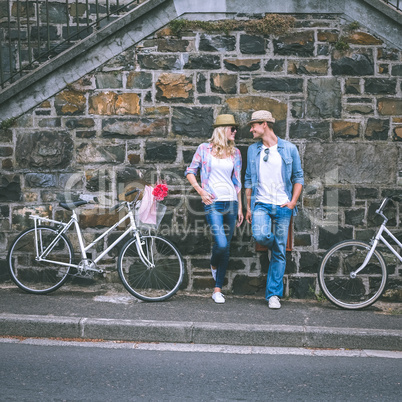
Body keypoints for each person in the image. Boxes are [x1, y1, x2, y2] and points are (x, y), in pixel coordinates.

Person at [244, 110, 304, 309]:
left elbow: (298, 177)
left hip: (283, 206)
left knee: (279, 254)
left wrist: (293, 202)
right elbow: (248, 180)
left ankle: (273, 295)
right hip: (260, 204)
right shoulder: (253, 150)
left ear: (264, 125)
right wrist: (248, 207)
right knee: (261, 236)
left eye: (254, 125)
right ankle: (275, 244)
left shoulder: (289, 149)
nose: (251, 129)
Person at [185, 114, 244, 304]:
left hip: (232, 203)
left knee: (226, 247)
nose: (235, 132)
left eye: (235, 129)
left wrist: (241, 207)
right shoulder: (204, 149)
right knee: (221, 244)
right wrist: (201, 191)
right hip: (213, 203)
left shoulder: (236, 153)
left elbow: (238, 183)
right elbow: (190, 171)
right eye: (232, 129)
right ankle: (213, 263)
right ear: (221, 130)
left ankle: (217, 289)